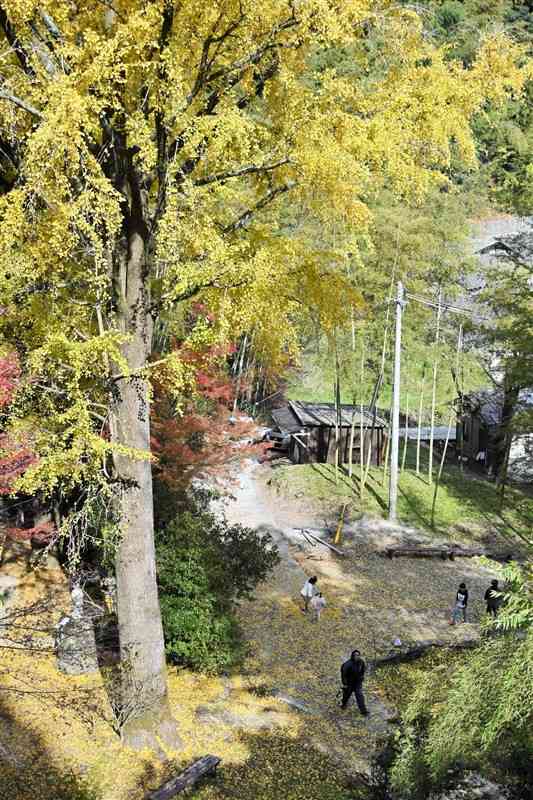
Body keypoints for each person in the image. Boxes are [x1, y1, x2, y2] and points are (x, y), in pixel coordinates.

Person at [340, 649, 368, 716]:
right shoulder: (347, 664)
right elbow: (343, 674)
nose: (357, 656)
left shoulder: (361, 662)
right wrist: (345, 683)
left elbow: (363, 669)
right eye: (355, 655)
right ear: (352, 656)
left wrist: (361, 677)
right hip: (349, 683)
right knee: (346, 695)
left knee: (360, 696)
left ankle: (364, 711)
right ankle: (343, 704)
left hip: (357, 683)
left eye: (358, 655)